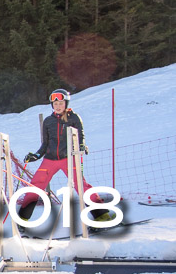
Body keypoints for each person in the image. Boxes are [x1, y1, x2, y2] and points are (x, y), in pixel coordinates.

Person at [19, 89, 113, 222]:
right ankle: (22, 218)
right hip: (50, 159)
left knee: (81, 185)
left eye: (61, 103)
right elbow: (45, 144)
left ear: (66, 104)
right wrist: (36, 155)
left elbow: (81, 136)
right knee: (35, 186)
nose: (58, 106)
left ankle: (102, 215)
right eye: (55, 104)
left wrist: (81, 146)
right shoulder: (48, 121)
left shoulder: (73, 118)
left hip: (68, 158)